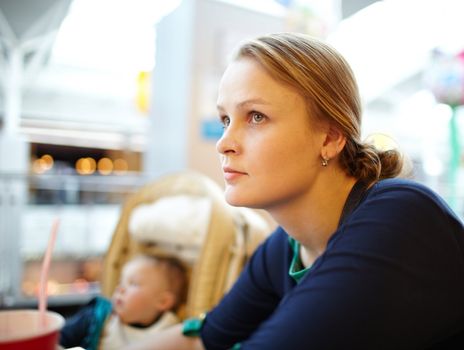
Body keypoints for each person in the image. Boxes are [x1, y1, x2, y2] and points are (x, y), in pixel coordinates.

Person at [127, 32, 464, 350]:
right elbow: (200, 340)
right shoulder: (285, 249)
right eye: (226, 119)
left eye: (256, 117)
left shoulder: (400, 218)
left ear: (330, 138)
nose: (224, 143)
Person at [59, 254, 188, 350]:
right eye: (121, 282)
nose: (120, 289)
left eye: (133, 283)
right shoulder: (97, 316)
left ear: (163, 301)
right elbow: (59, 340)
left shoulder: (170, 331)